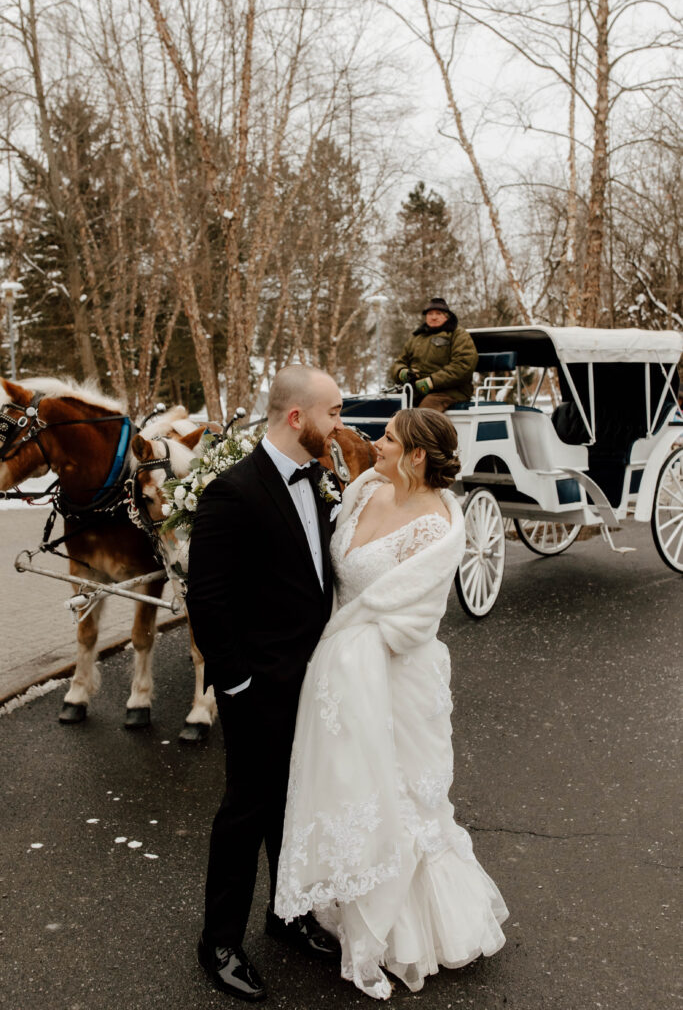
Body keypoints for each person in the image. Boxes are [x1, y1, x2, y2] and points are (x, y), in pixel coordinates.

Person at [275, 408, 508, 1000]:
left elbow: (415, 619)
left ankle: (409, 932)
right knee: (353, 787)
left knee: (402, 794)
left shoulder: (435, 527)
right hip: (341, 667)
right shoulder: (364, 490)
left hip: (394, 676)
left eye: (388, 439)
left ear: (417, 456)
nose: (375, 444)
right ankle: (351, 888)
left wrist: (350, 651)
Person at [186, 365, 345, 1002]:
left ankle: (288, 916)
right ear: (297, 418)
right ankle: (219, 942)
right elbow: (209, 603)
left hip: (317, 681)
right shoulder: (232, 492)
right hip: (259, 687)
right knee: (246, 810)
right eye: (333, 412)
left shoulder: (322, 480)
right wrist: (240, 686)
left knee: (295, 803)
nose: (341, 424)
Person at [390, 297, 478, 412]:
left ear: (447, 316)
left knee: (423, 415)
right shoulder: (417, 337)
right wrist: (402, 373)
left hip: (451, 391)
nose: (434, 317)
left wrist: (431, 382)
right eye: (430, 313)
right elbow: (399, 362)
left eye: (438, 313)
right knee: (390, 407)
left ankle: (421, 429)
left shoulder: (458, 335)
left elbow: (463, 365)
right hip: (416, 391)